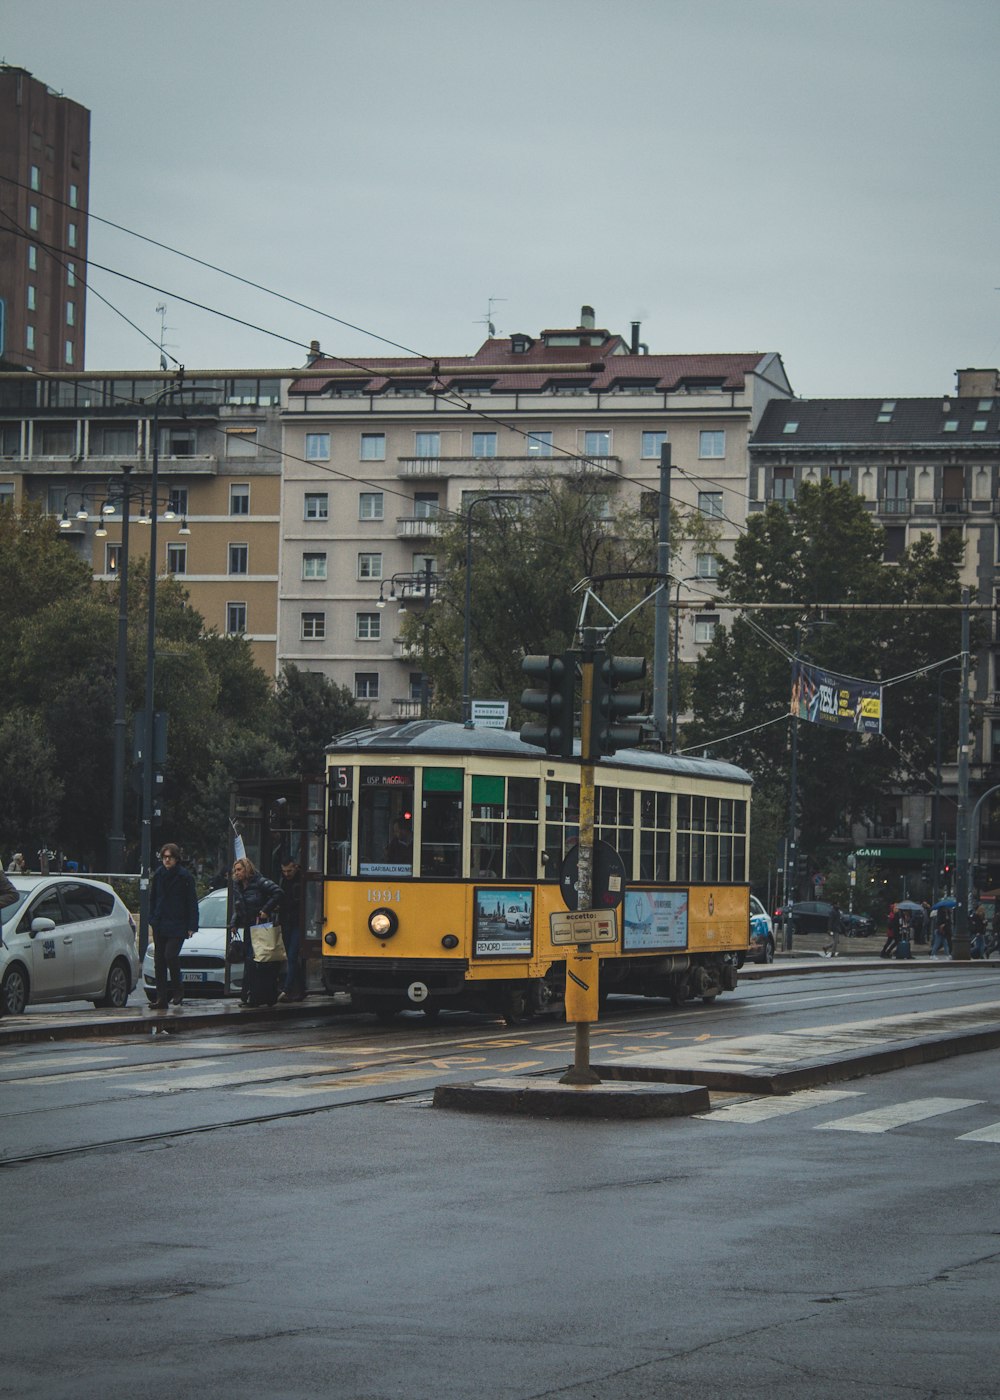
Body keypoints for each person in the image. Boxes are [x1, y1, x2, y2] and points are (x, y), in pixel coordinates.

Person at [148, 843, 199, 1009]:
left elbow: (192, 902)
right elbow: (153, 898)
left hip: (178, 923)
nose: (167, 860)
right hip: (160, 922)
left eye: (170, 857)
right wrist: (152, 918)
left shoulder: (184, 877)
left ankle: (178, 989)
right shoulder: (159, 875)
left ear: (176, 858)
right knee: (159, 961)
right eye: (164, 857)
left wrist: (192, 925)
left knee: (170, 955)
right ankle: (161, 998)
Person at [230, 856, 282, 1008]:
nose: (237, 873)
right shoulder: (239, 886)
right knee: (251, 961)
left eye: (239, 869)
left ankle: (260, 996)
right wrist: (234, 922)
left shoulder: (259, 882)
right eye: (235, 870)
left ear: (247, 869)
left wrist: (266, 910)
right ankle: (251, 996)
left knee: (260, 961)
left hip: (261, 926)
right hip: (249, 926)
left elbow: (278, 893)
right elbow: (239, 906)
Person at [277, 858, 307, 1003]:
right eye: (284, 871)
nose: (287, 874)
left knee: (293, 954)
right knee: (290, 956)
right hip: (287, 921)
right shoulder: (283, 880)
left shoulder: (302, 880)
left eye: (289, 871)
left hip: (298, 922)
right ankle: (299, 988)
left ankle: (288, 989)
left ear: (295, 867)